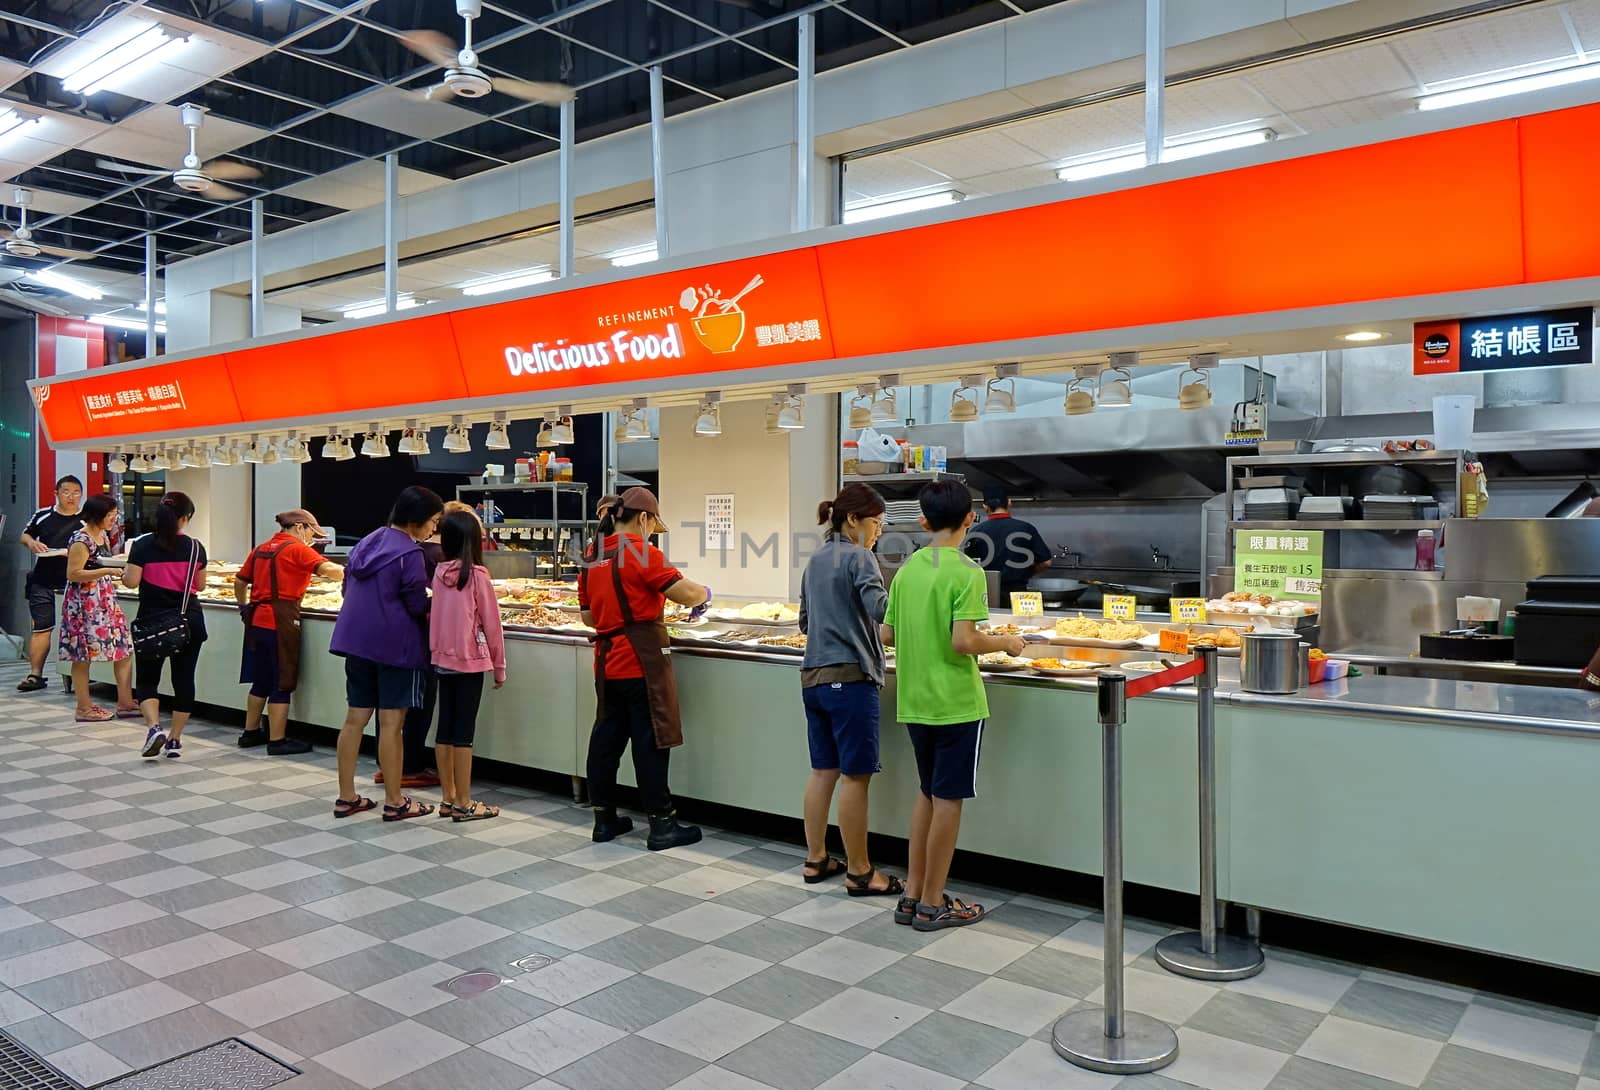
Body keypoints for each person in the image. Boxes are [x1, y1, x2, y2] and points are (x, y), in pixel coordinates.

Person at [882, 478, 1026, 931]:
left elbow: (886, 635)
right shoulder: (966, 571)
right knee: (948, 800)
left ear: (923, 521)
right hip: (956, 702)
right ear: (970, 518)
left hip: (914, 697)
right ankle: (932, 903)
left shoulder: (906, 570)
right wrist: (1007, 641)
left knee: (926, 792)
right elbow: (964, 640)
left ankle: (912, 895)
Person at [580, 486, 709, 850]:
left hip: (606, 662)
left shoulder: (592, 555)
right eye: (653, 524)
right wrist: (706, 594)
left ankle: (604, 820)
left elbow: (589, 616)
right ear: (643, 518)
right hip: (641, 659)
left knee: (606, 740)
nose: (652, 532)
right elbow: (684, 593)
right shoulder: (642, 551)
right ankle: (662, 824)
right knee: (651, 741)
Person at [797, 483, 902, 897]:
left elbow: (805, 622)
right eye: (875, 523)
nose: (878, 531)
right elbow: (883, 611)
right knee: (855, 778)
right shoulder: (859, 557)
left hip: (813, 680)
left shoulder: (817, 558)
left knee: (823, 771)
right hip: (851, 680)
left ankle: (816, 858)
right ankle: (860, 872)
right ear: (853, 520)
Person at [329, 486, 443, 821]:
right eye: (434, 521)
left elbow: (347, 587)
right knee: (392, 724)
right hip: (396, 646)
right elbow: (415, 602)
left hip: (356, 642)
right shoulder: (410, 553)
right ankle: (395, 801)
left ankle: (346, 796)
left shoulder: (366, 542)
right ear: (418, 520)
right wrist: (439, 601)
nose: (434, 528)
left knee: (354, 720)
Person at [235, 510, 345, 754]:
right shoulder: (296, 548)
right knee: (281, 682)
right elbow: (331, 571)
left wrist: (243, 607)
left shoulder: (262, 548)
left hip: (256, 620)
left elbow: (240, 581)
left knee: (260, 680)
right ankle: (277, 740)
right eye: (310, 533)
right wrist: (354, 574)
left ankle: (250, 732)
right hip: (280, 621)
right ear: (299, 527)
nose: (311, 539)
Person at [430, 510, 507, 821]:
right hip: (470, 662)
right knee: (464, 733)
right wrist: (499, 667)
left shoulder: (438, 573)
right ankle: (465, 801)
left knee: (444, 730)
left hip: (440, 659)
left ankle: (448, 797)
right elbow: (493, 625)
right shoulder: (478, 576)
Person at [123, 492, 207, 759]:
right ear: (184, 518)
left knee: (148, 678)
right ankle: (175, 739)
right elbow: (201, 585)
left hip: (152, 620)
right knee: (184, 679)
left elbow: (131, 581)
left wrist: (124, 573)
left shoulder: (142, 545)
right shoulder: (195, 547)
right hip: (188, 620)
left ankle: (154, 727)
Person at [60, 494, 136, 722]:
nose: (114, 519)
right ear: (97, 515)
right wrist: (108, 571)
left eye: (115, 514)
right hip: (84, 604)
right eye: (110, 515)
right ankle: (83, 707)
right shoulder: (81, 539)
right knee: (82, 655)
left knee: (123, 649)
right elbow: (73, 573)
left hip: (104, 601)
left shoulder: (101, 535)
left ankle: (125, 701)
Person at [17, 476, 85, 693]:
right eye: (66, 491)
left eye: (76, 492)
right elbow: (24, 535)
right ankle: (35, 674)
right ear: (56, 493)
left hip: (73, 583)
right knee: (42, 628)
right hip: (43, 580)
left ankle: (81, 676)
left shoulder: (86, 520)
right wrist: (32, 543)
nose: (71, 496)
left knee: (78, 630)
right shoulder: (42, 515)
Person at [962, 486, 1053, 604]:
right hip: (1019, 595)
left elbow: (968, 566)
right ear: (1009, 503)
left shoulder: (976, 532)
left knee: (992, 621)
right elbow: (1046, 562)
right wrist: (1027, 572)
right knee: (1020, 622)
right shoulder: (1025, 528)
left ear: (985, 507)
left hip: (986, 594)